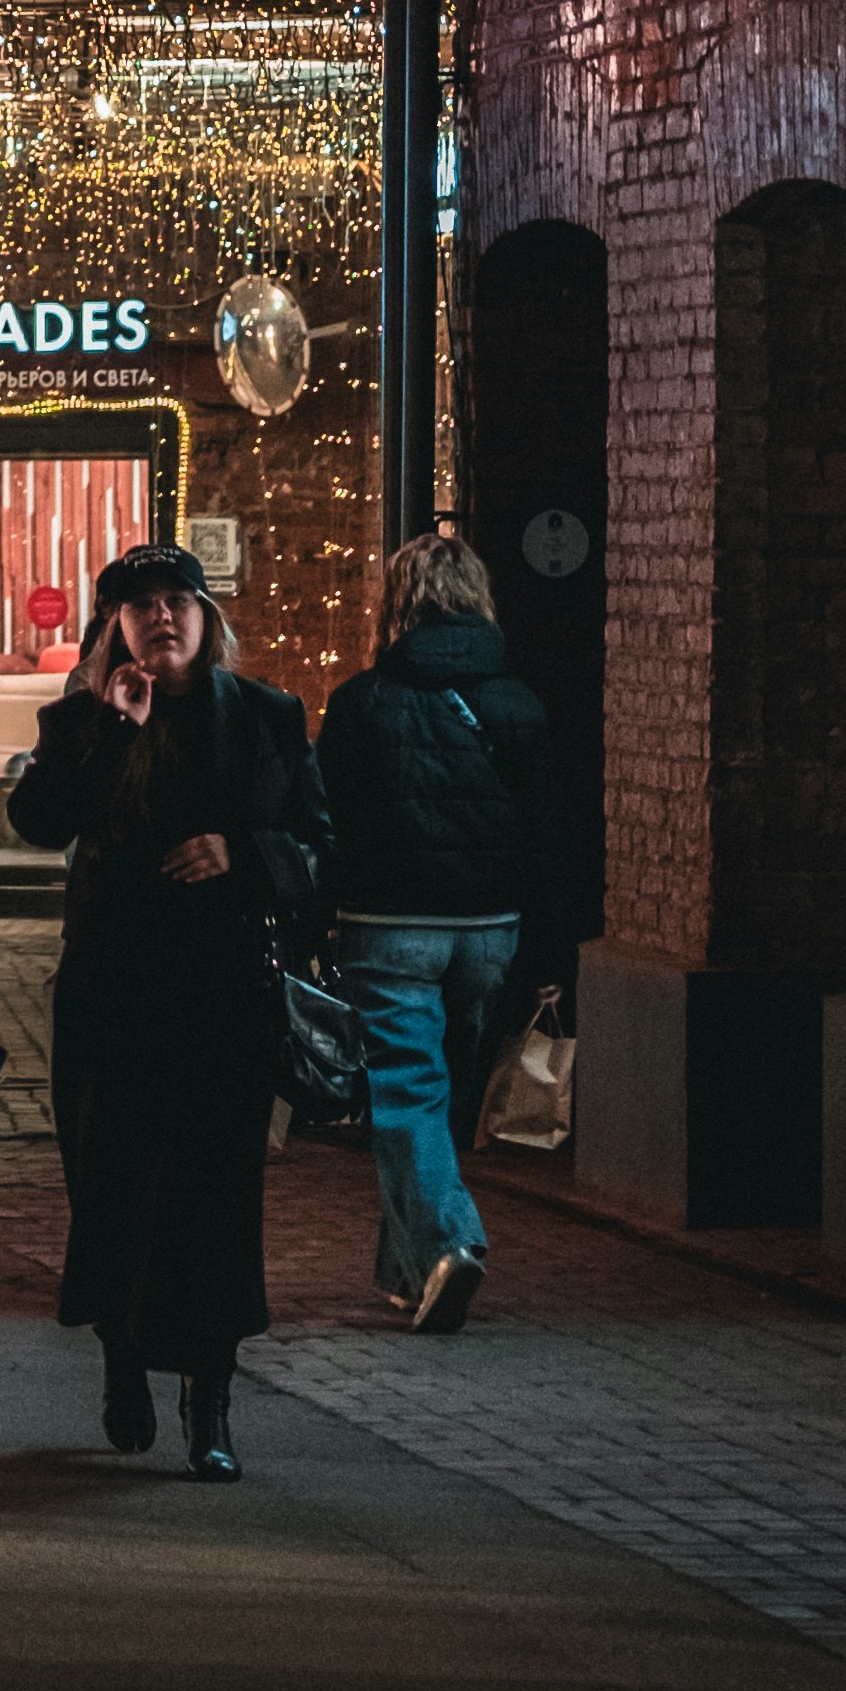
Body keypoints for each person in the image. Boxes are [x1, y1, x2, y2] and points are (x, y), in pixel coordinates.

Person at [8, 541, 326, 1478]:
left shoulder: (266, 716)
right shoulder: (80, 722)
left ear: (206, 614)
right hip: (112, 998)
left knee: (216, 1200)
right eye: (138, 606)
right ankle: (121, 1358)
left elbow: (323, 843)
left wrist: (245, 853)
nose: (161, 617)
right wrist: (111, 729)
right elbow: (36, 826)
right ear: (115, 628)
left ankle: (212, 1401)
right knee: (112, 1186)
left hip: (224, 996)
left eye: (176, 600)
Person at [316, 530, 579, 1330]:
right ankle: (409, 1275)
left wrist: (317, 917)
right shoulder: (520, 703)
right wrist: (547, 949)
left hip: (388, 926)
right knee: (440, 1093)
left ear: (399, 604)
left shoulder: (363, 700)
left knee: (407, 1093)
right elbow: (548, 835)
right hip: (489, 931)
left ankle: (450, 1242)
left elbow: (327, 819)